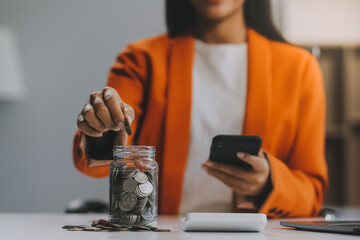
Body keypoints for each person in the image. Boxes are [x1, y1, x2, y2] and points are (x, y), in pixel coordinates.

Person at [73, 0, 328, 218]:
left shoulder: (299, 69)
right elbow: (93, 161)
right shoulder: (141, 59)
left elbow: (311, 192)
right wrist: (102, 123)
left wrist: (269, 182)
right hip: (166, 232)